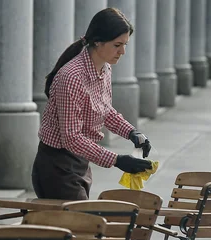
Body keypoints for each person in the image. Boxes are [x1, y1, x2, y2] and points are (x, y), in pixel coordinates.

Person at [32, 7, 154, 201]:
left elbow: (104, 109)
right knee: (81, 225)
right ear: (97, 41)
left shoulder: (104, 68)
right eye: (117, 45)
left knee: (76, 228)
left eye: (125, 44)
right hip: (57, 166)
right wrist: (117, 160)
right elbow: (71, 138)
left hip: (79, 163)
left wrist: (132, 132)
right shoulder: (71, 77)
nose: (122, 51)